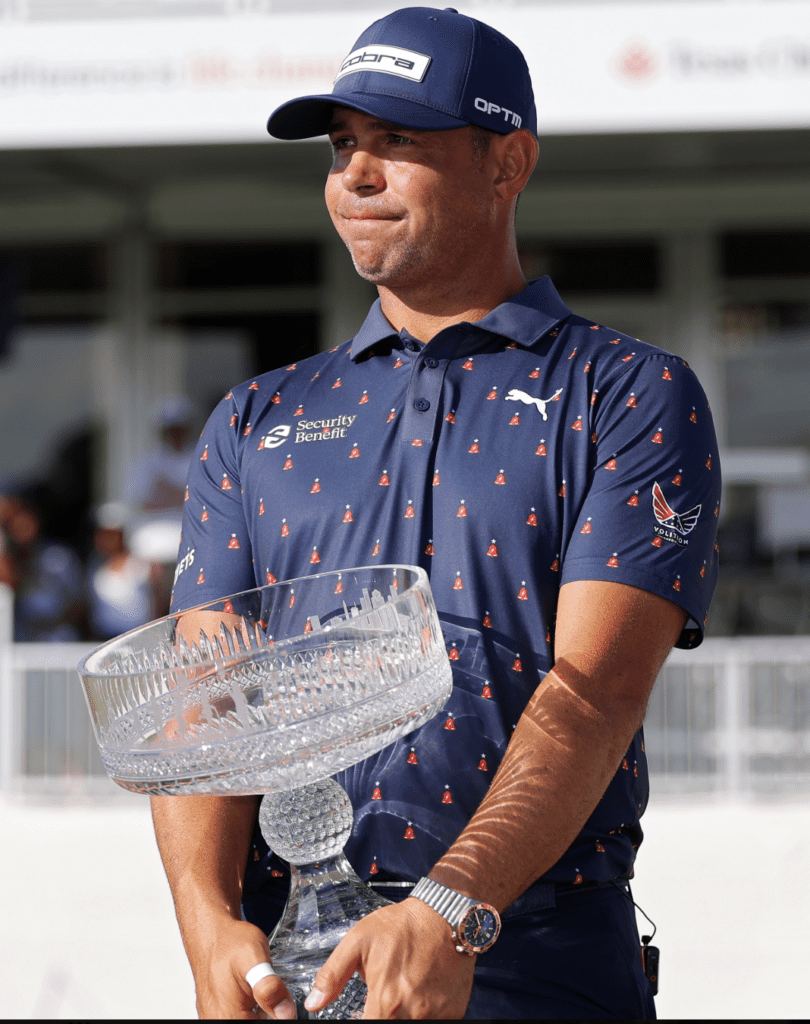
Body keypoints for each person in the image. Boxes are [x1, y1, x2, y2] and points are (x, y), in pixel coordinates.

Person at [155, 7, 721, 1019]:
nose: (356, 177)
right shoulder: (255, 416)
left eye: (398, 143)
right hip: (298, 961)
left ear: (508, 162)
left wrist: (451, 903)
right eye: (342, 148)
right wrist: (205, 920)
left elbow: (595, 690)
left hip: (532, 952)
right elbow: (211, 710)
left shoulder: (628, 390)